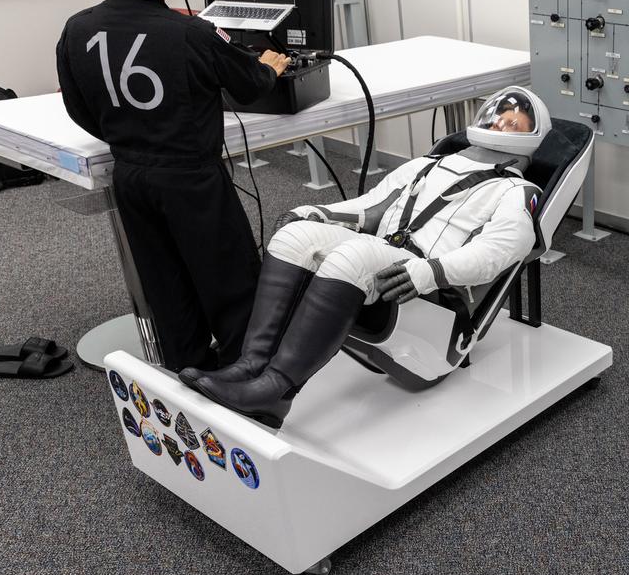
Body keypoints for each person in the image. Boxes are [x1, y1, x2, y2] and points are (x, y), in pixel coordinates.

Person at [179, 86, 552, 428]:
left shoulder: (517, 190)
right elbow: (370, 207)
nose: (503, 121)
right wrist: (318, 212)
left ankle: (278, 390)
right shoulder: (427, 164)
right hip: (389, 260)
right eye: (498, 115)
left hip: (428, 290)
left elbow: (497, 253)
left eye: (515, 123)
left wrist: (431, 272)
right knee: (294, 236)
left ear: (530, 140)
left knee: (354, 255)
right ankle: (251, 365)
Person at [56, 0, 291, 372]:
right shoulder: (192, 32)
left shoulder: (76, 28)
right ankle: (243, 381)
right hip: (192, 181)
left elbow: (80, 108)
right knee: (230, 282)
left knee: (165, 285)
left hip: (131, 176)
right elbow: (249, 86)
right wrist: (270, 67)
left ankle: (187, 375)